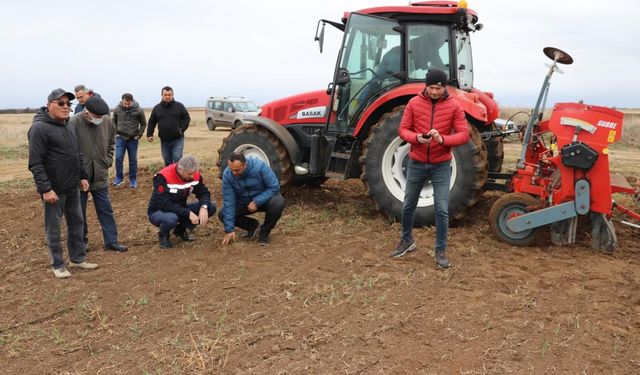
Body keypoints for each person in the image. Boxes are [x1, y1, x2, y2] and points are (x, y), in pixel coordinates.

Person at [390, 69, 470, 268]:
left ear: (445, 87)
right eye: (432, 87)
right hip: (416, 162)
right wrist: (416, 138)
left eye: (439, 88)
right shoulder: (414, 104)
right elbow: (403, 129)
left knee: (441, 209)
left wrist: (443, 139)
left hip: (441, 165)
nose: (435, 92)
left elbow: (464, 134)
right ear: (426, 86)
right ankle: (406, 240)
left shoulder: (454, 106)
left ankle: (440, 249)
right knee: (408, 204)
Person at [28, 89, 99, 278]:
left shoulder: (68, 125)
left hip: (73, 186)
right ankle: (57, 264)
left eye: (69, 104)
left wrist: (83, 176)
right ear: (49, 104)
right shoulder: (39, 128)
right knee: (54, 227)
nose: (66, 107)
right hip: (54, 190)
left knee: (77, 222)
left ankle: (77, 258)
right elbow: (35, 163)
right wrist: (46, 189)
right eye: (61, 104)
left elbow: (77, 154)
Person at [69, 96, 128, 253]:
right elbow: (70, 151)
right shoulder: (73, 123)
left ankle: (111, 241)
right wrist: (79, 173)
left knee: (105, 209)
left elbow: (111, 144)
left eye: (102, 116)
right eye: (97, 117)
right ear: (87, 113)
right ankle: (82, 242)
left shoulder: (108, 121)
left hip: (100, 173)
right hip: (80, 177)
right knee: (79, 211)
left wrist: (107, 161)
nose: (100, 119)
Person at [147, 155, 216, 249]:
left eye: (193, 173)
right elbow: (164, 204)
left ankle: (180, 230)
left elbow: (204, 192)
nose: (192, 176)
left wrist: (204, 207)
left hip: (181, 209)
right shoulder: (163, 177)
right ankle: (163, 235)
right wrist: (188, 213)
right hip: (159, 211)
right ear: (180, 169)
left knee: (210, 207)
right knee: (171, 218)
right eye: (189, 174)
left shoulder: (194, 175)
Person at [219, 152, 284, 246]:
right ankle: (253, 226)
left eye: (237, 170)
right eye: (231, 169)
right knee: (223, 213)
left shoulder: (260, 166)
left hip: (263, 200)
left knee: (278, 202)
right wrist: (229, 230)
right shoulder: (228, 175)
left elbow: (274, 187)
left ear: (245, 164)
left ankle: (264, 232)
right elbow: (229, 201)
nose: (234, 173)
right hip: (244, 202)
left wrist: (256, 201)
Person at [146, 86, 190, 166]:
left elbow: (187, 118)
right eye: (165, 95)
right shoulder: (157, 108)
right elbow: (152, 121)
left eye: (169, 95)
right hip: (164, 140)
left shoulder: (179, 106)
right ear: (162, 95)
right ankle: (169, 177)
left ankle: (178, 176)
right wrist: (149, 134)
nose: (167, 96)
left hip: (177, 139)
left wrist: (181, 130)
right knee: (167, 160)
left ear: (173, 95)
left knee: (177, 158)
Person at [112, 92, 147, 188]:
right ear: (122, 101)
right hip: (120, 138)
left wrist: (139, 135)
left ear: (132, 101)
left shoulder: (139, 110)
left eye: (128, 103)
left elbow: (143, 123)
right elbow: (113, 121)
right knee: (118, 158)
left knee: (133, 160)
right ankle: (119, 178)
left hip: (133, 139)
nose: (126, 106)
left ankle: (133, 179)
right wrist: (116, 133)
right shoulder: (117, 109)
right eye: (125, 103)